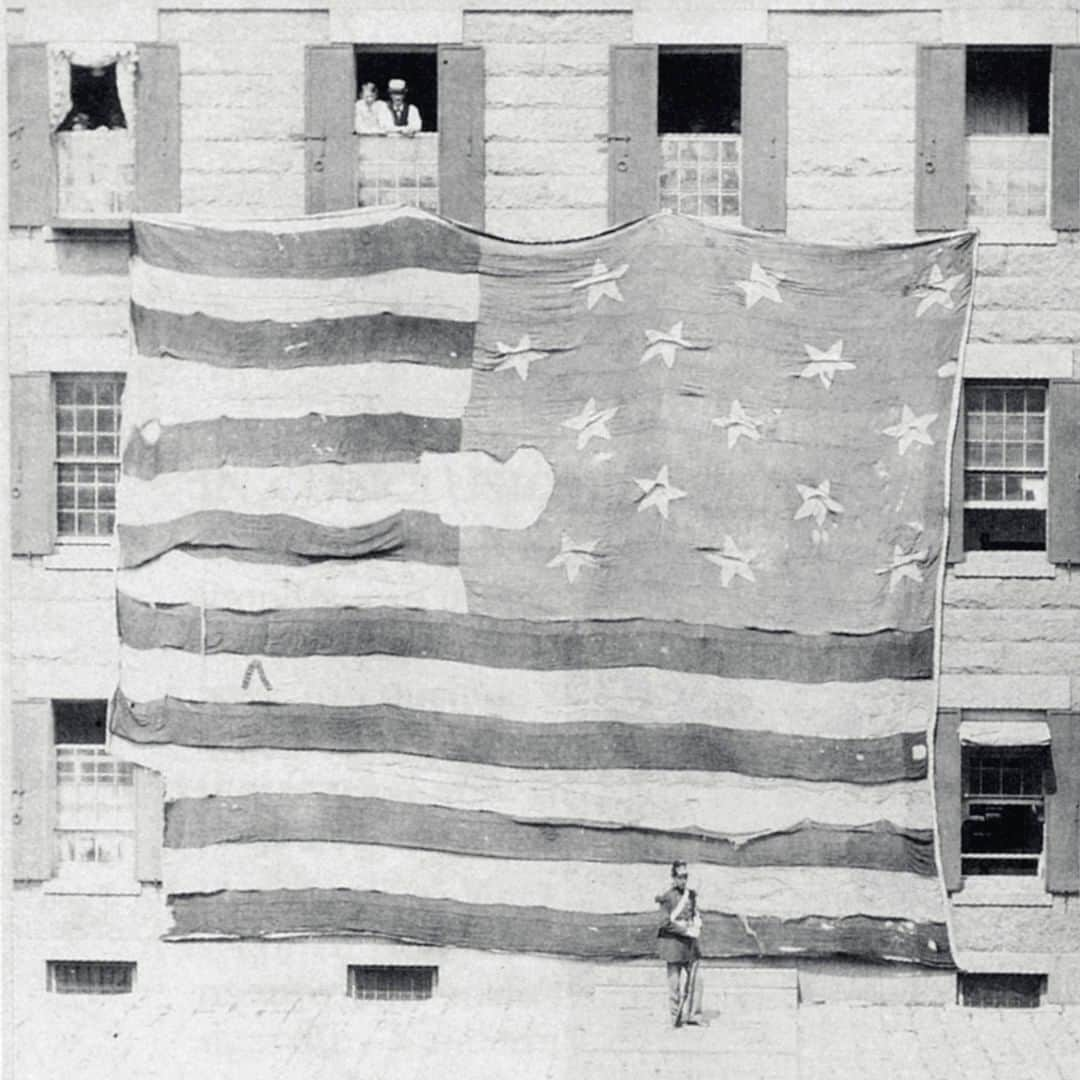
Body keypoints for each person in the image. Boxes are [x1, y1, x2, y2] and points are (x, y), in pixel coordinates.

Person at [656, 860, 707, 1027]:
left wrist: (698, 922)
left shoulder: (691, 895)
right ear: (673, 877)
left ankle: (694, 1015)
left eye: (685, 877)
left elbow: (695, 914)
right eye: (679, 877)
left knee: (697, 980)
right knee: (675, 984)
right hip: (673, 945)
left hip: (690, 946)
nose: (683, 880)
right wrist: (685, 930)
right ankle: (675, 1017)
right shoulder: (666, 897)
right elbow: (664, 923)